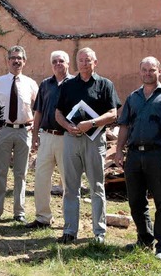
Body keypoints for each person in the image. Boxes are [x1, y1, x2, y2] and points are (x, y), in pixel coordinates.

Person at [114, 56, 161, 263]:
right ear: (140, 72)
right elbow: (125, 126)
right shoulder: (133, 97)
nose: (148, 73)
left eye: (151, 70)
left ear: (159, 72)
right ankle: (144, 239)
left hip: (158, 155)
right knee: (136, 201)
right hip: (135, 155)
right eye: (144, 70)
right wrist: (119, 150)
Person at [55, 47, 121, 244]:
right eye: (81, 60)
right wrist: (67, 126)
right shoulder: (68, 86)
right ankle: (69, 230)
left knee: (97, 186)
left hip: (95, 141)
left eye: (88, 60)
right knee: (71, 187)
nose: (84, 63)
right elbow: (58, 113)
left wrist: (91, 124)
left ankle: (99, 232)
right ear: (77, 63)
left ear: (95, 62)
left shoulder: (105, 84)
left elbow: (113, 113)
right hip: (71, 140)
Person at [0, 45, 38, 224]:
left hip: (24, 132)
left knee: (21, 173)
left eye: (19, 58)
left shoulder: (31, 83)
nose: (16, 61)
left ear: (24, 61)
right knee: (0, 172)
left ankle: (19, 212)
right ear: (7, 61)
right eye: (13, 58)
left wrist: (34, 126)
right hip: (4, 131)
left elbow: (38, 107)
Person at [26, 50, 73, 229]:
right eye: (54, 61)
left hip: (66, 138)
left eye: (61, 61)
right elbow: (38, 111)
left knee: (68, 181)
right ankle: (43, 218)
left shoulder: (75, 84)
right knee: (41, 178)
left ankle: (69, 219)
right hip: (46, 137)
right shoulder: (46, 84)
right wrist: (35, 136)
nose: (58, 64)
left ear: (68, 64)